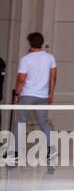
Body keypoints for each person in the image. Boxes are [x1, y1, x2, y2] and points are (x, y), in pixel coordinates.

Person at [13, 32, 55, 167]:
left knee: (20, 122)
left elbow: (21, 79)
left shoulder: (26, 59)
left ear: (30, 43)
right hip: (42, 95)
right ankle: (51, 150)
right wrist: (51, 93)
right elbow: (53, 77)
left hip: (27, 94)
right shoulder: (50, 58)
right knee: (44, 122)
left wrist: (17, 94)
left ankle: (16, 152)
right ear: (42, 42)